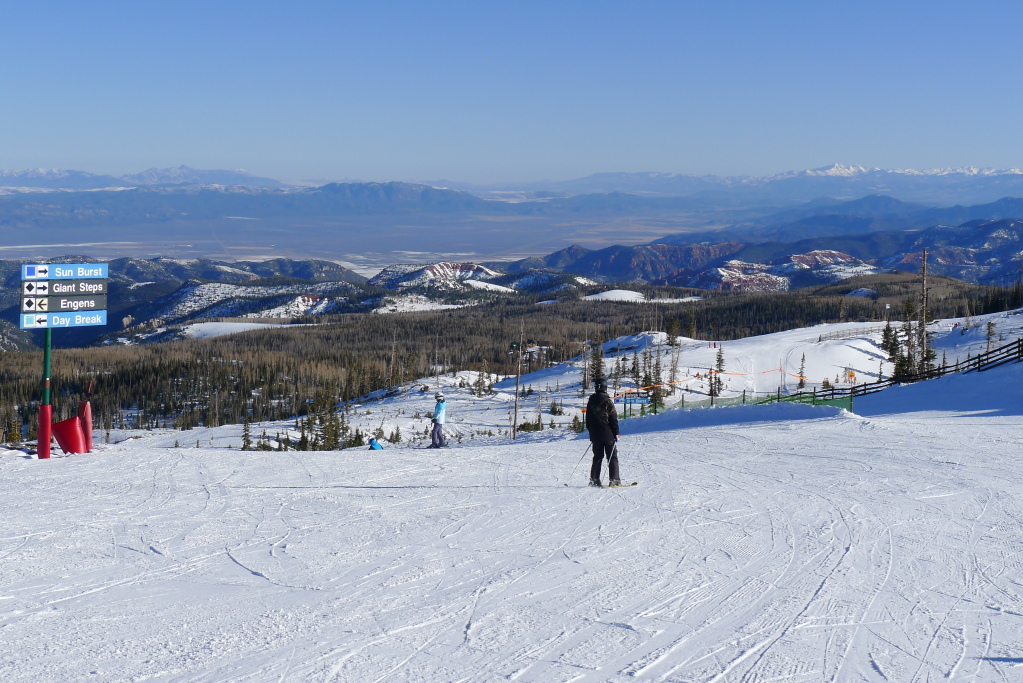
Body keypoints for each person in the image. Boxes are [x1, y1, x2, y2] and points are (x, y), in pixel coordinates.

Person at [585, 378, 620, 486]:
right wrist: (616, 433)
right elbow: (613, 419)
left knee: (597, 457)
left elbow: (588, 420)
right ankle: (614, 480)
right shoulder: (608, 402)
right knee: (612, 457)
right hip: (608, 434)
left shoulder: (591, 402)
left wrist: (592, 433)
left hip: (595, 435)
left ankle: (594, 479)